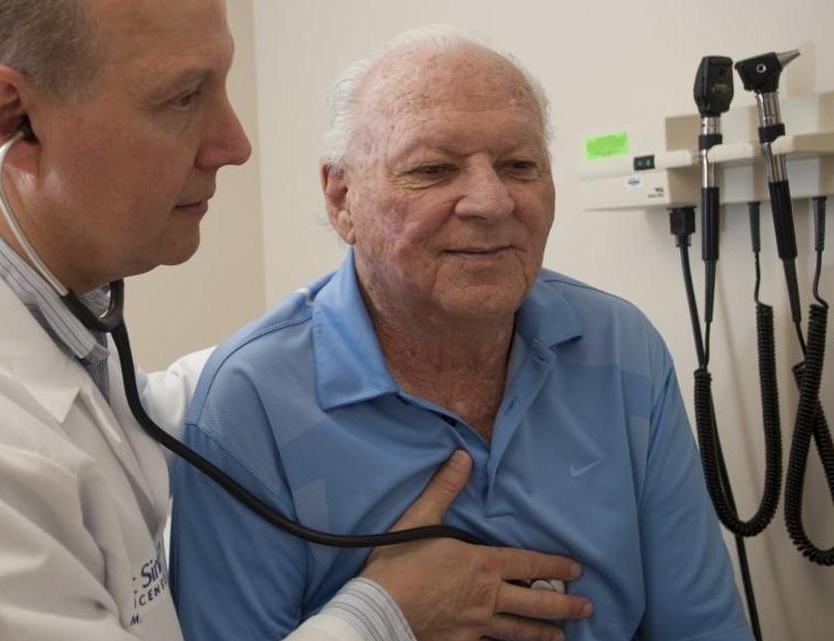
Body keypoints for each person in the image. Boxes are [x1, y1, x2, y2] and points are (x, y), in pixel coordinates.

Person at [0, 3, 591, 641]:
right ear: (15, 120)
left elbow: (121, 418)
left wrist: (345, 334)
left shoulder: (7, 292)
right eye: (182, 97)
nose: (235, 141)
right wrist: (381, 615)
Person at [169, 25, 755, 641]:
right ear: (343, 198)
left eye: (519, 165)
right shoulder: (252, 401)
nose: (491, 201)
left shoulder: (620, 348)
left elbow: (703, 628)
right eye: (433, 169)